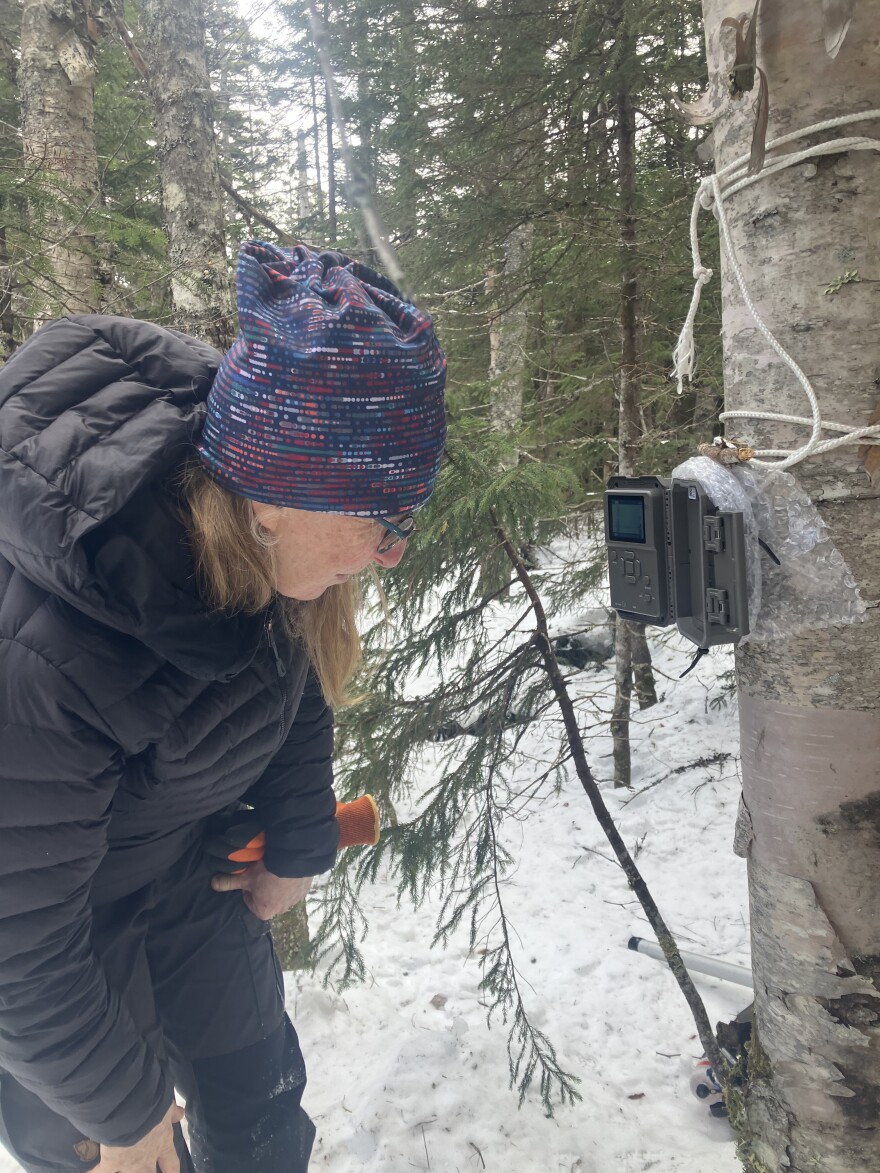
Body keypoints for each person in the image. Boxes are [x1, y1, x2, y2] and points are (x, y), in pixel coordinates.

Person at [0, 241, 447, 1173]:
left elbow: (290, 691)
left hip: (190, 882)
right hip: (54, 962)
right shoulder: (51, 648)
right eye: (379, 519)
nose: (390, 550)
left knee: (263, 1127)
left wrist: (296, 844)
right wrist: (123, 1115)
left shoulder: (263, 541)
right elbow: (16, 938)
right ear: (277, 500)